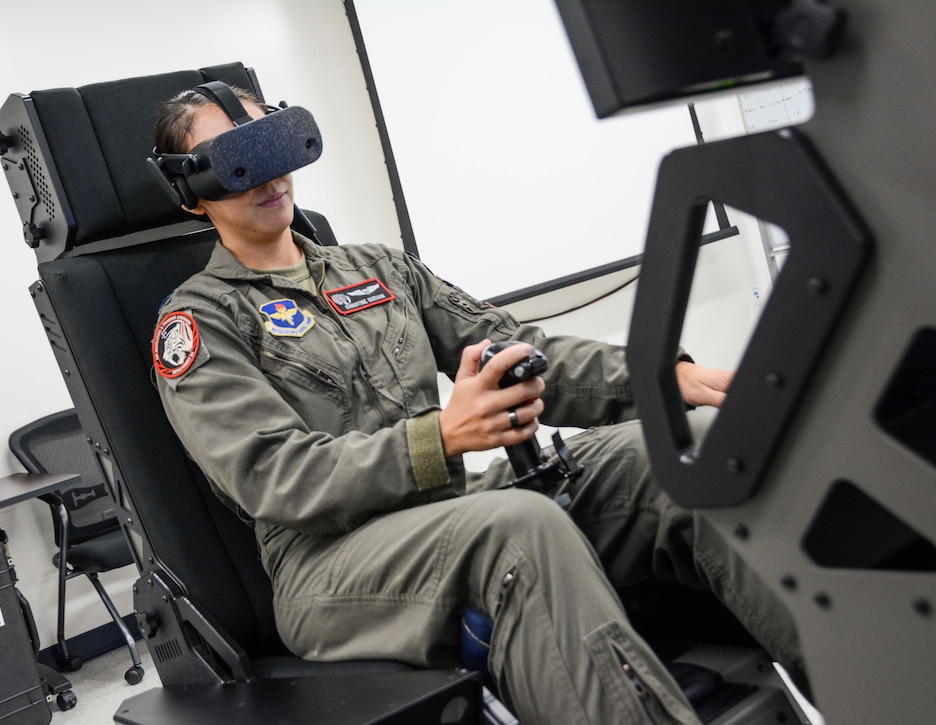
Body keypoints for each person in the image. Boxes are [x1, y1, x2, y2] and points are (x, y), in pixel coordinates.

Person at [150, 85, 801, 724]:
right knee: (519, 526)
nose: (267, 176)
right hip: (328, 567)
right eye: (235, 162)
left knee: (684, 446)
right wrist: (443, 437)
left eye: (270, 145)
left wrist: (664, 377)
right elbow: (276, 475)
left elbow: (520, 349)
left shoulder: (377, 268)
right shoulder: (198, 321)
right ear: (189, 196)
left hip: (453, 509)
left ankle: (860, 680)